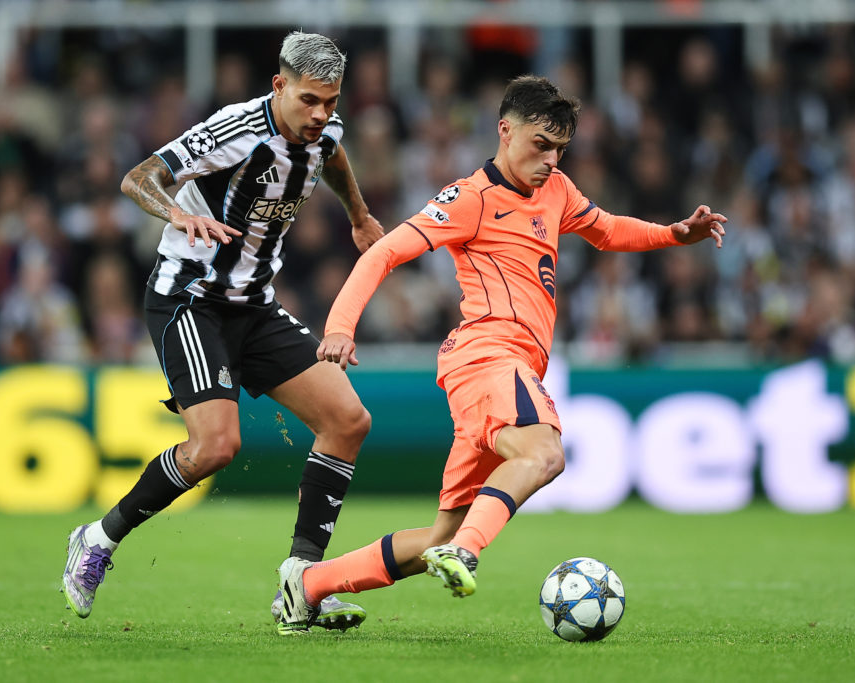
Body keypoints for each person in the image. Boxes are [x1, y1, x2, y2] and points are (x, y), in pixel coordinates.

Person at [276, 75, 726, 633]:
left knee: (436, 538)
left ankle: (308, 585)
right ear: (504, 130)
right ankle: (467, 552)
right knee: (544, 454)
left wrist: (675, 235)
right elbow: (386, 251)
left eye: (560, 148)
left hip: (501, 368)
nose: (551, 159)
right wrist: (340, 326)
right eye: (541, 144)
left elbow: (607, 230)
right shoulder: (471, 198)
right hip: (488, 355)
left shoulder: (556, 190)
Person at [62, 31, 385, 631]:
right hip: (190, 298)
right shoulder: (234, 130)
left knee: (348, 421)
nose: (320, 115)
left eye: (331, 102)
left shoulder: (326, 135)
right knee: (216, 447)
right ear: (279, 85)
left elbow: (333, 158)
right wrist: (177, 212)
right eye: (309, 100)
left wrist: (360, 217)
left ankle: (303, 583)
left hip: (253, 305)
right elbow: (139, 177)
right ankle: (98, 539)